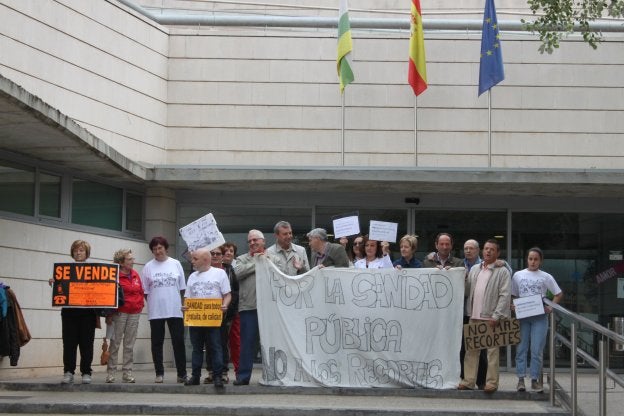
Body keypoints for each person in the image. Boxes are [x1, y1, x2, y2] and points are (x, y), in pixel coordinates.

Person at [459, 239, 511, 393]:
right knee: (471, 352)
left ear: (498, 253)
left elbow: (505, 295)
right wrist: (462, 279)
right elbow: (468, 291)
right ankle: (468, 381)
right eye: (486, 249)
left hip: (491, 318)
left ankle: (492, 383)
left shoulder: (502, 271)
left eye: (492, 249)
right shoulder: (475, 269)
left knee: (492, 353)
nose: (488, 251)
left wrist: (497, 315)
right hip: (474, 315)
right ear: (482, 251)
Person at [512, 247, 563, 393]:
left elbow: (558, 293)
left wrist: (551, 306)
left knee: (536, 350)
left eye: (536, 259)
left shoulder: (546, 276)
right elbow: (513, 294)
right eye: (530, 259)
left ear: (540, 261)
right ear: (527, 259)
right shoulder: (518, 275)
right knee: (521, 348)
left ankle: (535, 380)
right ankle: (520, 379)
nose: (533, 262)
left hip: (540, 317)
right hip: (523, 317)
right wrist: (514, 305)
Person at [141, 236, 188, 384]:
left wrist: (183, 306)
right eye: (154, 249)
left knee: (178, 341)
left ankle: (182, 373)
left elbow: (182, 289)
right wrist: (153, 304)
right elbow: (145, 291)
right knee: (157, 343)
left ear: (165, 248)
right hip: (156, 311)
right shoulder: (148, 266)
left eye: (160, 248)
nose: (157, 251)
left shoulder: (176, 264)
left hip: (175, 310)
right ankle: (159, 373)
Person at [184, 247, 231, 388]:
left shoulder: (219, 273)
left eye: (195, 259)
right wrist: (185, 306)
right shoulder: (192, 276)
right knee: (196, 348)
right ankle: (195, 376)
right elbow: (187, 296)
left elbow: (227, 294)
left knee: (215, 347)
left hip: (213, 318)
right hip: (196, 318)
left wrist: (225, 305)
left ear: (205, 259)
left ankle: (217, 376)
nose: (192, 261)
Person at [56, 240, 98, 384]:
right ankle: (68, 372)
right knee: (69, 343)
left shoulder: (94, 270)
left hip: (88, 312)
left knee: (87, 343)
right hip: (69, 311)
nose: (78, 253)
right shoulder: (65, 269)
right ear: (72, 252)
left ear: (87, 253)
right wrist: (54, 282)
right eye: (76, 250)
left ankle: (86, 372)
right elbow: (60, 287)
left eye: (81, 250)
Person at [232, 229, 266, 385]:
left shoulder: (272, 258)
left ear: (263, 242)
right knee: (247, 344)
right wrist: (259, 261)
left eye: (255, 240)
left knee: (270, 344)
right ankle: (243, 377)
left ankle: (273, 376)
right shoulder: (240, 259)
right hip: (248, 307)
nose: (252, 243)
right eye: (250, 241)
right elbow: (238, 273)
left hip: (269, 309)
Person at [106, 249, 144, 383]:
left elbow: (140, 292)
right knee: (115, 343)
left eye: (132, 259)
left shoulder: (135, 275)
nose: (133, 261)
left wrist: (140, 306)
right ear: (121, 262)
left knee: (129, 344)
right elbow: (109, 296)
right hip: (119, 313)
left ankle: (127, 373)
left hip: (134, 313)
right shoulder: (114, 276)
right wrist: (109, 314)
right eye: (130, 259)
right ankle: (111, 373)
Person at [459, 239, 487, 390]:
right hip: (463, 312)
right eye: (465, 248)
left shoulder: (485, 265)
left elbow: (506, 271)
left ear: (478, 250)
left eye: (471, 248)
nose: (468, 251)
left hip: (480, 312)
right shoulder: (459, 265)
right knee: (464, 348)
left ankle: (481, 381)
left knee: (480, 348)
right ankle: (465, 379)